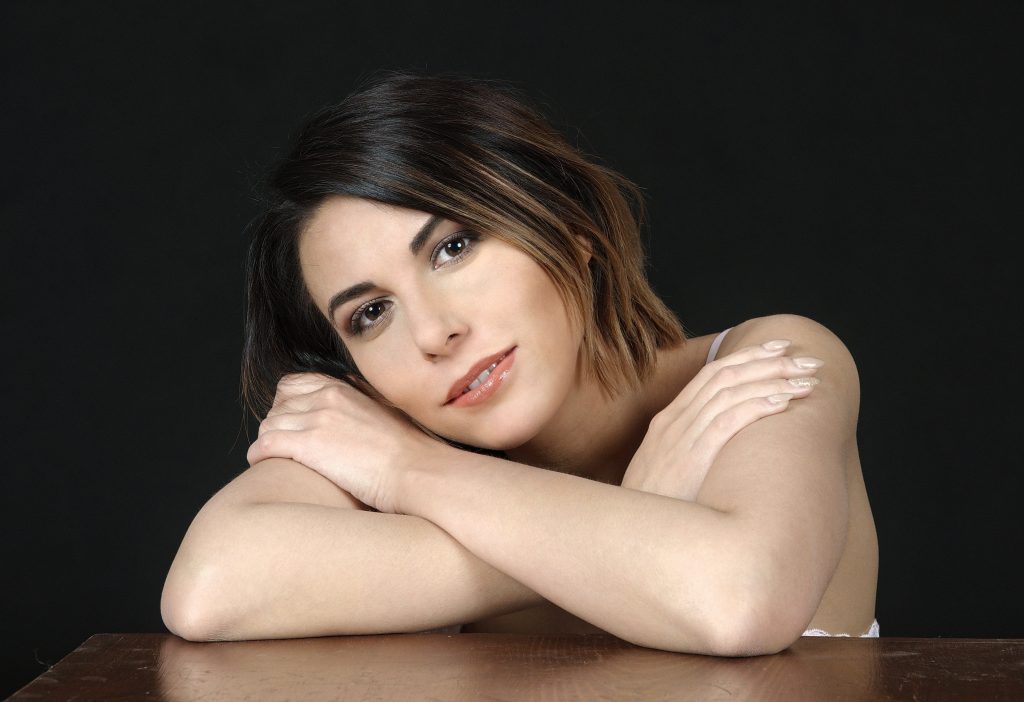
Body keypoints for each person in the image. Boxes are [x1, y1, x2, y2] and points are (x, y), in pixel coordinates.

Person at [160, 72, 878, 655]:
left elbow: (740, 600)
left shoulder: (764, 364)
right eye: (371, 313)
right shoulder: (376, 427)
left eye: (453, 248)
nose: (434, 333)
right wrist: (634, 516)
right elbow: (208, 588)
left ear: (568, 227)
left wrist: (409, 473)